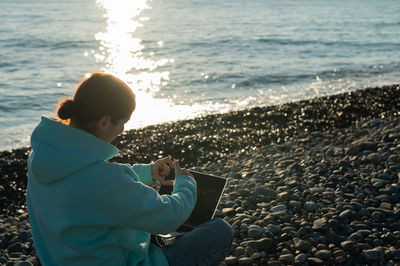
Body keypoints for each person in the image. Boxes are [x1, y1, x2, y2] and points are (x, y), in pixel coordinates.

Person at [26, 72, 233, 266]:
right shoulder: (104, 179)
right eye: (123, 123)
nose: (122, 130)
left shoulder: (41, 159)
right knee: (219, 231)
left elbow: (100, 184)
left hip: (59, 257)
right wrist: (186, 184)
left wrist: (148, 172)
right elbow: (169, 216)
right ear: (105, 121)